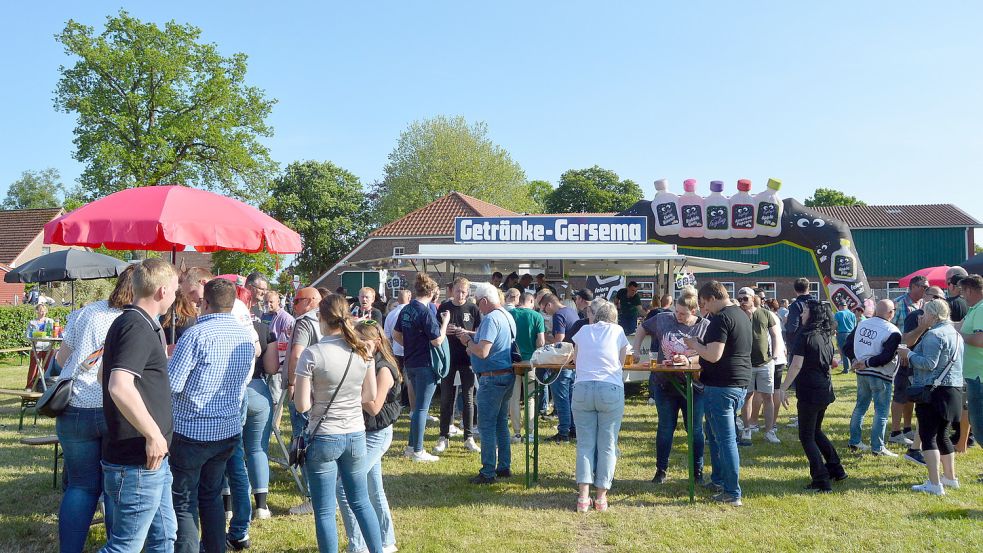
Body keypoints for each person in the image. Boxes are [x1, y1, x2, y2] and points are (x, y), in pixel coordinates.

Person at [168, 278, 256, 553]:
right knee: (211, 496)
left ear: (205, 303)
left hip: (192, 430)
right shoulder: (244, 337)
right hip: (226, 429)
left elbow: (173, 385)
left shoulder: (196, 335)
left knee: (184, 501)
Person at [99, 258, 179, 552]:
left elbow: (102, 374)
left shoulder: (133, 323)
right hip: (137, 459)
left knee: (164, 537)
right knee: (125, 546)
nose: (175, 295)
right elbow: (118, 385)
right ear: (161, 291)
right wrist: (153, 434)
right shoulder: (135, 326)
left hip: (150, 459)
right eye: (174, 288)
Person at [53, 265, 134, 552]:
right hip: (114, 408)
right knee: (115, 488)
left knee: (80, 485)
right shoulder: (136, 320)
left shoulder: (87, 312)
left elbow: (62, 360)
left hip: (74, 405)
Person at [294, 294, 382, 553]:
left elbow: (302, 406)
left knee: (324, 511)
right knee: (361, 501)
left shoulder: (312, 354)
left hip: (324, 435)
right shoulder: (362, 351)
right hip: (355, 433)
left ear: (320, 318)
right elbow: (370, 396)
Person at [683, 281, 751, 506]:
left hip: (722, 385)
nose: (704, 310)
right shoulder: (741, 314)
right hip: (738, 383)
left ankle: (733, 492)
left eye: (704, 304)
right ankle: (720, 480)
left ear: (712, 298)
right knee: (716, 436)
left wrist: (695, 344)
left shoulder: (720, 319)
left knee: (726, 440)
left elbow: (713, 355)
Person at [337, 320, 401, 553]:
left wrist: (350, 391)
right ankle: (387, 541)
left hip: (378, 434)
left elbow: (374, 407)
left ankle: (358, 546)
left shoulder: (383, 368)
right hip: (365, 431)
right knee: (374, 489)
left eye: (362, 340)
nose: (356, 344)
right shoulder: (366, 362)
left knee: (344, 488)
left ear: (376, 342)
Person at [634, 293, 709, 484]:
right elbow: (643, 328)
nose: (678, 316)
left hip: (694, 385)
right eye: (676, 311)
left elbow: (710, 354)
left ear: (694, 311)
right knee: (666, 428)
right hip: (664, 383)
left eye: (683, 314)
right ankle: (661, 471)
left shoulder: (704, 327)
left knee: (694, 429)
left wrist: (688, 359)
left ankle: (697, 472)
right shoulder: (663, 318)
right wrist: (635, 349)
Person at [566, 298, 630, 511]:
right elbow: (621, 363)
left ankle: (583, 497)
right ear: (613, 319)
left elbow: (576, 358)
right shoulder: (618, 331)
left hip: (583, 388)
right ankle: (601, 497)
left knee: (585, 444)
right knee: (607, 444)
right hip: (609, 388)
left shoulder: (583, 331)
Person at [778, 300, 847, 493]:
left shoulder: (805, 335)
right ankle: (836, 469)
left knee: (806, 436)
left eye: (805, 311)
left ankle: (821, 479)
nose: (801, 315)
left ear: (813, 315)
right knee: (815, 431)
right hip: (824, 388)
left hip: (811, 390)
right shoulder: (826, 335)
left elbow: (796, 365)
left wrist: (783, 387)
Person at [900, 299, 964, 495]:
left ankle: (935, 484)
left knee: (929, 437)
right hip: (953, 390)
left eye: (925, 313)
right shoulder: (956, 334)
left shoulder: (934, 335)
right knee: (943, 435)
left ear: (933, 315)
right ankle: (950, 477)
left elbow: (928, 364)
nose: (922, 316)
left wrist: (908, 354)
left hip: (933, 392)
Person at [457, 282, 516, 484]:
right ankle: (504, 466)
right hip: (506, 374)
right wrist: (473, 337)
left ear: (484, 301)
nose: (478, 309)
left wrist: (468, 343)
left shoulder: (490, 319)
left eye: (478, 304)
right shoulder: (506, 315)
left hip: (492, 377)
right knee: (501, 423)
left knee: (487, 425)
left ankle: (488, 471)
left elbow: (483, 351)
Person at [394, 273, 450, 462]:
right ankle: (418, 450)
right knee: (421, 410)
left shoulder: (406, 309)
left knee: (417, 407)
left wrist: (411, 345)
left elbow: (396, 334)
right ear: (433, 292)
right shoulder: (426, 312)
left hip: (410, 362)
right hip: (426, 364)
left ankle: (411, 447)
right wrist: (445, 323)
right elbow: (437, 340)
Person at [845, 299, 903, 456]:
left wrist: (855, 360)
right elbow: (886, 356)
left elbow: (847, 345)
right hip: (880, 373)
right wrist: (867, 362)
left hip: (862, 372)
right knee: (881, 411)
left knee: (860, 407)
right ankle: (878, 447)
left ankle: (854, 441)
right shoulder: (893, 331)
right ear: (891, 313)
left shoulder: (862, 324)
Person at [285, 286, 323, 515]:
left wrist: (292, 383)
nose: (293, 304)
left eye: (297, 300)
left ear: (310, 302)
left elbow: (297, 354)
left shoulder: (305, 322)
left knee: (304, 442)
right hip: (324, 391)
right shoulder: (327, 319)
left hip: (306, 391)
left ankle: (313, 497)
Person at [435, 277, 481, 454]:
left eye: (463, 291)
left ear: (468, 292)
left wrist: (465, 333)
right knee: (447, 397)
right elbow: (435, 331)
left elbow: (479, 332)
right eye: (457, 291)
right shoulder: (445, 307)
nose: (460, 294)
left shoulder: (473, 308)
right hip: (449, 357)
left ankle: (468, 437)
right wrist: (446, 330)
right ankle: (443, 436)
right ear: (452, 291)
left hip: (467, 357)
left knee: (468, 397)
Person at [735, 289, 781, 445]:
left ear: (753, 298)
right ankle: (747, 429)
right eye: (739, 299)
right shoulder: (737, 314)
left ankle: (769, 431)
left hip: (765, 362)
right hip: (745, 364)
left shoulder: (765, 313)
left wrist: (775, 355)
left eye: (745, 298)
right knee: (746, 396)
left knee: (767, 396)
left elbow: (775, 335)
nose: (742, 302)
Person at [538, 293, 580, 442]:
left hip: (561, 363)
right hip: (572, 362)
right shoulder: (571, 311)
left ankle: (563, 432)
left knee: (561, 399)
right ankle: (573, 429)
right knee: (570, 398)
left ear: (549, 305)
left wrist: (545, 336)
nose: (545, 313)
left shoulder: (558, 315)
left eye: (543, 309)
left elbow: (559, 342)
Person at [509, 292, 546, 442]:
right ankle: (530, 432)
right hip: (530, 361)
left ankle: (516, 433)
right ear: (530, 301)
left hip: (513, 360)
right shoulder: (537, 316)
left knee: (514, 398)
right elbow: (541, 342)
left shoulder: (510, 314)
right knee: (530, 398)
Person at [959, 275, 983, 456]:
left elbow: (980, 339)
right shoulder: (975, 309)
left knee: (979, 424)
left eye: (962, 292)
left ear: (969, 290)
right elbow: (959, 327)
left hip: (979, 376)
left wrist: (960, 337)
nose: (962, 296)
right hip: (975, 374)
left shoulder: (981, 309)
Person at [384, 290, 411, 406]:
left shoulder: (391, 314)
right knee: (409, 377)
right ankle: (406, 401)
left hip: (396, 350)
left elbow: (387, 335)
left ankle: (397, 399)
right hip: (411, 350)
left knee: (398, 376)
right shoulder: (411, 312)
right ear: (409, 297)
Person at [25, 302, 55, 389]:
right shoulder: (32, 323)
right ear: (37, 311)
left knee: (48, 368)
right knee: (34, 368)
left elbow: (54, 333)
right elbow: (27, 335)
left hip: (48, 347)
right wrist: (34, 335)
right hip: (36, 347)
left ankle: (48, 386)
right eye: (41, 311)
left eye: (44, 311)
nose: (42, 313)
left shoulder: (50, 321)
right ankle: (30, 386)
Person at [834, 302, 857, 373]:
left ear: (840, 306)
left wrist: (834, 330)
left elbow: (836, 324)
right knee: (852, 351)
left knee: (844, 352)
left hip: (841, 333)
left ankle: (846, 369)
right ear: (846, 306)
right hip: (851, 334)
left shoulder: (838, 314)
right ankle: (854, 367)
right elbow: (855, 324)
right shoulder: (852, 314)